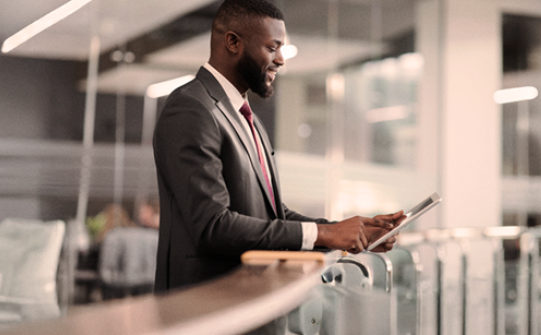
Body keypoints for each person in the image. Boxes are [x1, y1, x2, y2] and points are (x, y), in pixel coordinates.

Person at [152, 0, 404, 311]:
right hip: (209, 311)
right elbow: (213, 226)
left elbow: (272, 215)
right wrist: (325, 233)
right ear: (233, 42)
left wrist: (347, 231)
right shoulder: (192, 108)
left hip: (255, 302)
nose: (281, 60)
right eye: (273, 48)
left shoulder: (248, 117)